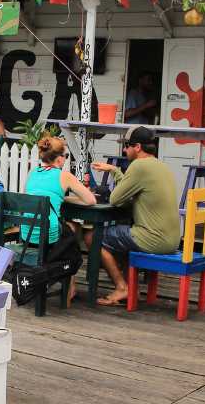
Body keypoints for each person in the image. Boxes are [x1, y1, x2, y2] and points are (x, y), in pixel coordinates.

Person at [89, 127, 180, 306]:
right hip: (172, 239)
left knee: (93, 237)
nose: (125, 150)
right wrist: (115, 170)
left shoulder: (139, 166)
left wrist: (115, 173)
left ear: (137, 147)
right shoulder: (161, 165)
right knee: (122, 234)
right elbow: (133, 193)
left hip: (153, 239)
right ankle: (129, 285)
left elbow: (116, 198)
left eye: (127, 146)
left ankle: (122, 288)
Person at [22, 136, 97, 304]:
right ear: (59, 158)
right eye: (65, 156)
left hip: (27, 234)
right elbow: (91, 200)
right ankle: (63, 286)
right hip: (47, 236)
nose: (65, 159)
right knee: (72, 246)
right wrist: (68, 197)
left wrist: (63, 198)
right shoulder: (64, 176)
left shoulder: (32, 173)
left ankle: (69, 286)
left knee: (69, 230)